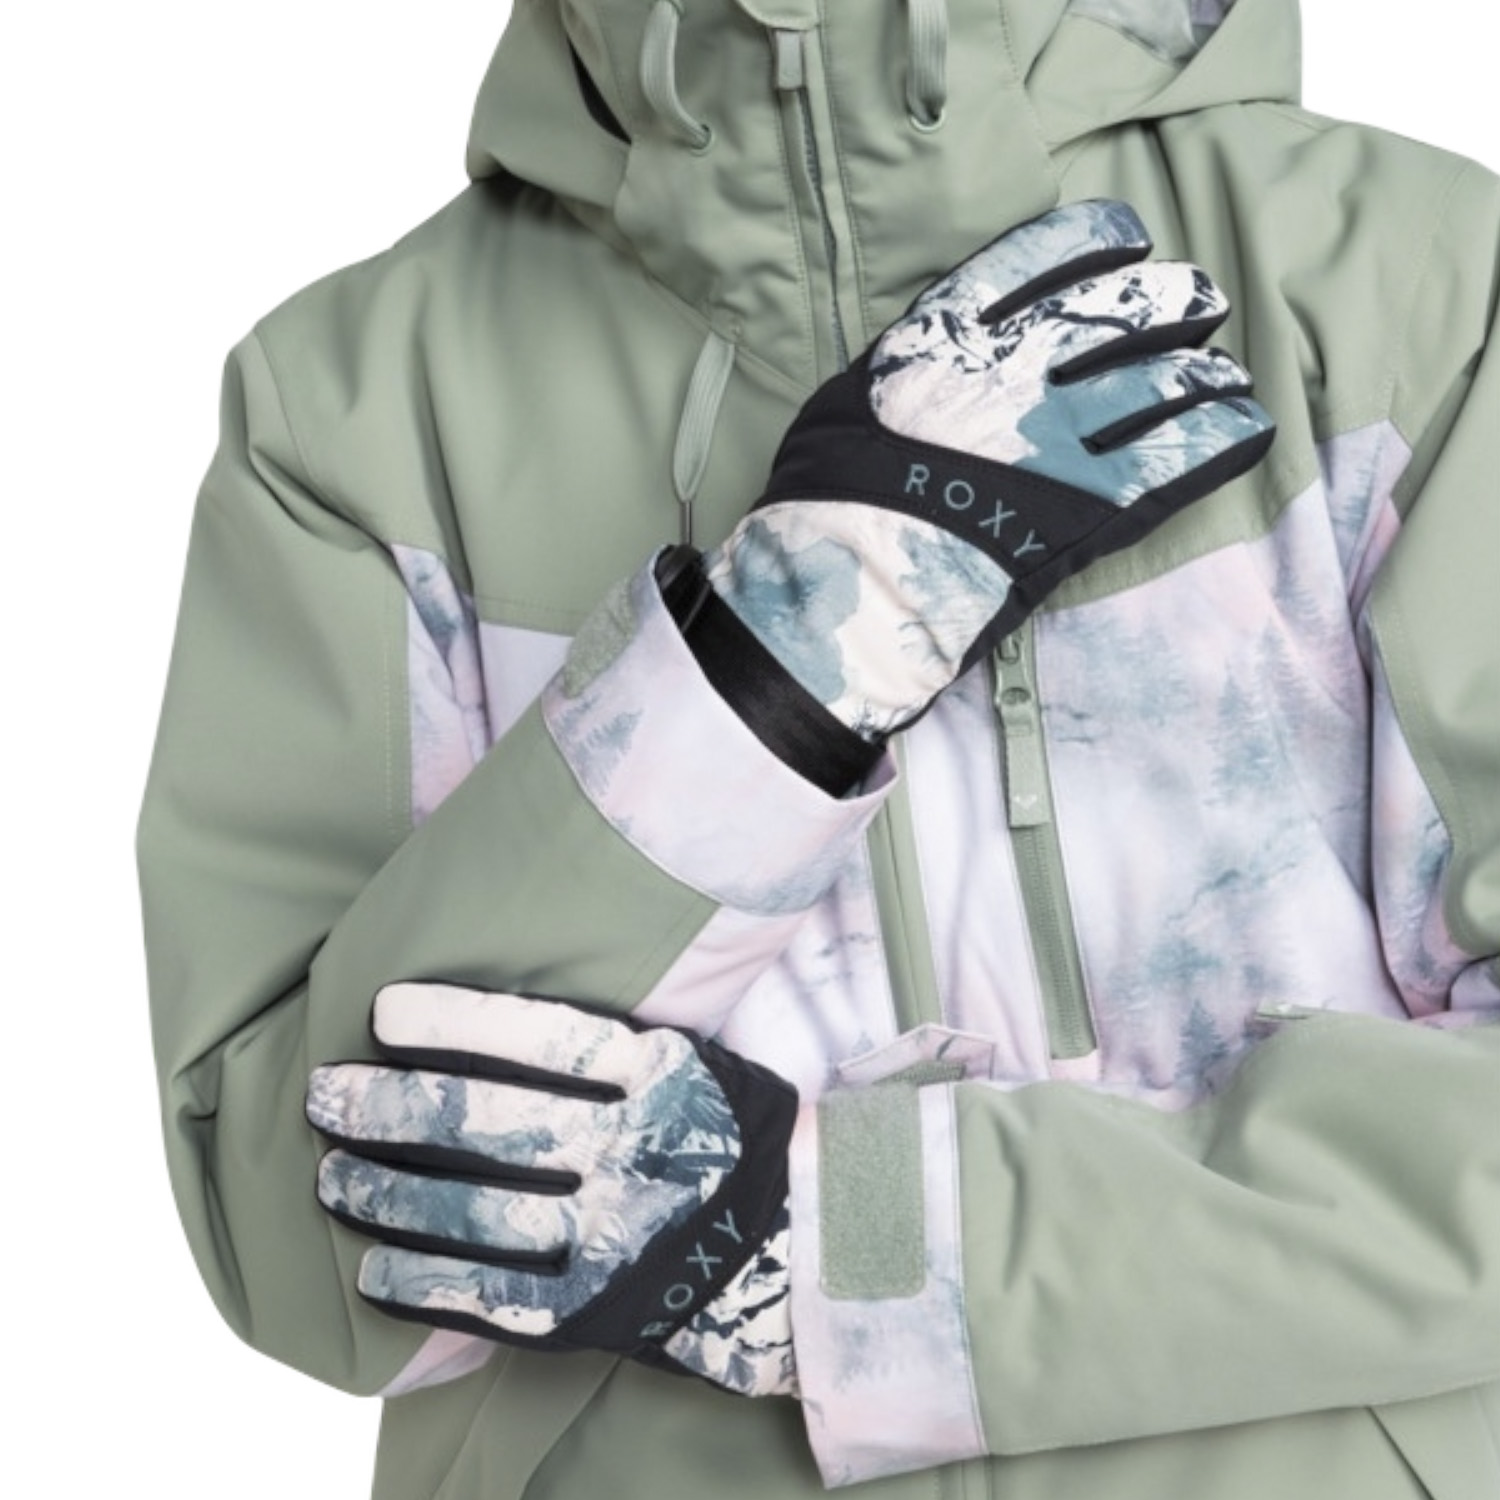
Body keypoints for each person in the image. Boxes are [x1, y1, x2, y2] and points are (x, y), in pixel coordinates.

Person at [138, 1, 1500, 1497]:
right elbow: (304, 1252)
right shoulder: (357, 412)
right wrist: (792, 646)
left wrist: (838, 1257)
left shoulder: (1411, 286)